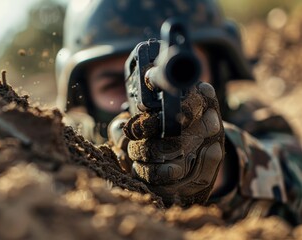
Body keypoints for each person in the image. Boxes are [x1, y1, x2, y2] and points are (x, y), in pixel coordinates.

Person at [55, 0, 302, 224]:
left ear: (220, 71)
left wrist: (225, 169)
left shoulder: (255, 119)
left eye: (180, 70)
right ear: (83, 96)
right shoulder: (66, 150)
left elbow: (293, 170)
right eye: (114, 84)